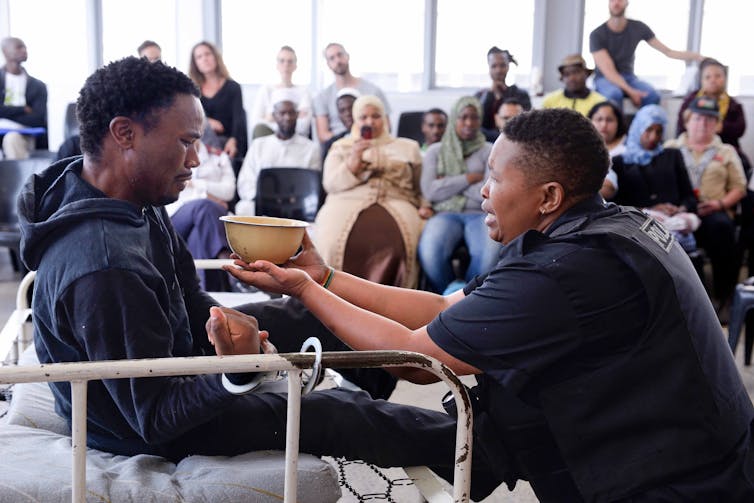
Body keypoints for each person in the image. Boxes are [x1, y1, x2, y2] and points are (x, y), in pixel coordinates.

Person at [16, 57, 503, 501]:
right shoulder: (104, 264)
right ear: (124, 134)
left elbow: (188, 298)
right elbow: (154, 419)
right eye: (186, 142)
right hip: (139, 425)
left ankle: (383, 426)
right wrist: (237, 369)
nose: (196, 160)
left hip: (172, 364)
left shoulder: (130, 201)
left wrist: (228, 330)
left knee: (314, 315)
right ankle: (487, 450)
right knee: (334, 413)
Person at [227, 108, 754, 502]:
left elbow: (417, 360)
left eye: (496, 177)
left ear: (547, 196)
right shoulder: (598, 226)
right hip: (698, 451)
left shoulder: (567, 272)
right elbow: (441, 308)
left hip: (679, 481)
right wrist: (327, 277)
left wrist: (304, 290)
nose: (482, 190)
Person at [315, 94, 428, 289]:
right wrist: (352, 163)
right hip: (345, 200)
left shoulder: (408, 147)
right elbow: (330, 184)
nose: (370, 122)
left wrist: (425, 206)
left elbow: (421, 185)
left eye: (376, 116)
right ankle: (329, 300)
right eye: (363, 117)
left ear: (385, 118)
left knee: (402, 246)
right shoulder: (341, 147)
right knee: (331, 242)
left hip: (398, 201)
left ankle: (394, 307)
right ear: (356, 120)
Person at [665, 96, 747, 307]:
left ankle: (723, 297)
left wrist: (720, 205)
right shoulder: (671, 147)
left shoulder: (726, 151)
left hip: (712, 210)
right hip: (678, 211)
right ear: (687, 120)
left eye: (710, 119)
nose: (703, 123)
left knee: (722, 229)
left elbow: (739, 187)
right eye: (698, 118)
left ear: (717, 124)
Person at [418, 96, 500, 294]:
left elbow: (488, 194)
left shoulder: (490, 149)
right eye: (463, 117)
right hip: (444, 214)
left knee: (489, 257)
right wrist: (469, 178)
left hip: (480, 214)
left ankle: (470, 297)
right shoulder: (435, 151)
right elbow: (429, 190)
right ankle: (449, 295)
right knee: (430, 253)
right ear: (454, 119)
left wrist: (447, 182)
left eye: (474, 118)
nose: (469, 123)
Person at [611, 104, 699, 252]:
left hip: (676, 219)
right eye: (648, 130)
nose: (654, 137)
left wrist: (679, 209)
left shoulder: (672, 156)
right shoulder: (620, 162)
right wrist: (648, 210)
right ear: (638, 128)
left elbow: (689, 196)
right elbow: (617, 205)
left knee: (684, 227)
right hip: (639, 222)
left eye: (659, 132)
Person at [589, 0, 703, 109]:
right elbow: (609, 72)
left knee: (653, 96)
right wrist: (631, 91)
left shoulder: (638, 27)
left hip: (629, 77)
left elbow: (668, 52)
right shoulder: (597, 35)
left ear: (626, 2)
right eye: (612, 0)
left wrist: (698, 57)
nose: (616, 3)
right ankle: (619, 129)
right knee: (614, 94)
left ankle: (642, 128)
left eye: (620, 0)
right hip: (604, 78)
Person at [166, 126, 236, 291]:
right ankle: (229, 266)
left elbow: (229, 192)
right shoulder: (171, 155)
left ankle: (204, 294)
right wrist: (209, 196)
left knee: (200, 233)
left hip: (211, 219)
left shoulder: (218, 157)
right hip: (177, 216)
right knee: (204, 207)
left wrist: (196, 185)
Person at [236, 95, 320, 216]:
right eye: (282, 113)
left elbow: (312, 186)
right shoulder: (258, 145)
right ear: (274, 116)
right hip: (263, 203)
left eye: (291, 113)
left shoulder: (311, 148)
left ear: (297, 115)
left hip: (298, 205)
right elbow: (245, 182)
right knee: (244, 208)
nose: (287, 117)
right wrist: (266, 199)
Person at [676, 57, 750, 175]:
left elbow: (740, 128)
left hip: (723, 148)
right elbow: (680, 127)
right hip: (693, 147)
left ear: (725, 78)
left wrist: (722, 128)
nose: (713, 80)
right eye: (708, 77)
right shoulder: (690, 100)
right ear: (701, 80)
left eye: (718, 76)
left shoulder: (734, 105)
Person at [313, 43, 391, 143]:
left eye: (340, 55)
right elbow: (323, 135)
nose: (338, 60)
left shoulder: (373, 91)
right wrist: (348, 142)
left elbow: (386, 126)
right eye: (332, 58)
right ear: (328, 64)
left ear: (347, 56)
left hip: (372, 143)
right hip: (337, 146)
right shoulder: (322, 97)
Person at [189, 41, 248, 160]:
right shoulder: (192, 90)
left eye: (207, 54)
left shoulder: (233, 87)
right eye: (199, 57)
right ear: (196, 64)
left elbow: (238, 120)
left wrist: (233, 140)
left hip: (227, 141)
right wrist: (208, 122)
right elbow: (190, 119)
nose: (205, 59)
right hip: (202, 142)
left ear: (215, 57)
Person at [249, 46, 312, 139]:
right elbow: (255, 123)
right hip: (268, 139)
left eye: (290, 61)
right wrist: (293, 118)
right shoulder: (266, 90)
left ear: (295, 66)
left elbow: (303, 127)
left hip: (295, 140)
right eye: (282, 61)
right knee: (260, 130)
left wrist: (271, 118)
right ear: (277, 65)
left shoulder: (304, 92)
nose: (286, 64)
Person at [0, 36, 47, 159]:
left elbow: (38, 119)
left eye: (25, 47)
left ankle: (21, 178)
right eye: (19, 47)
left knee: (12, 139)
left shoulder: (38, 86)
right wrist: (22, 109)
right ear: (5, 51)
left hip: (24, 136)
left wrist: (5, 114)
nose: (24, 50)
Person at [474, 47, 531, 143]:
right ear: (488, 67)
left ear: (508, 66)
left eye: (502, 65)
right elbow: (477, 125)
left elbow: (525, 126)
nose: (498, 70)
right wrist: (490, 94)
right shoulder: (479, 96)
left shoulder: (521, 95)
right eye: (494, 66)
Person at [542, 54, 606, 116]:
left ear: (586, 73)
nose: (571, 78)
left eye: (576, 72)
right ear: (562, 78)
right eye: (567, 74)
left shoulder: (600, 102)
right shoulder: (550, 101)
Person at [588, 100, 627, 199]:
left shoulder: (627, 153)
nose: (604, 125)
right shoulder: (580, 151)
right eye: (599, 119)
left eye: (609, 120)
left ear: (618, 123)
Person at [320, 87, 359, 164]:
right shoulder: (331, 143)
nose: (347, 114)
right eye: (342, 110)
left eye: (351, 108)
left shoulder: (373, 139)